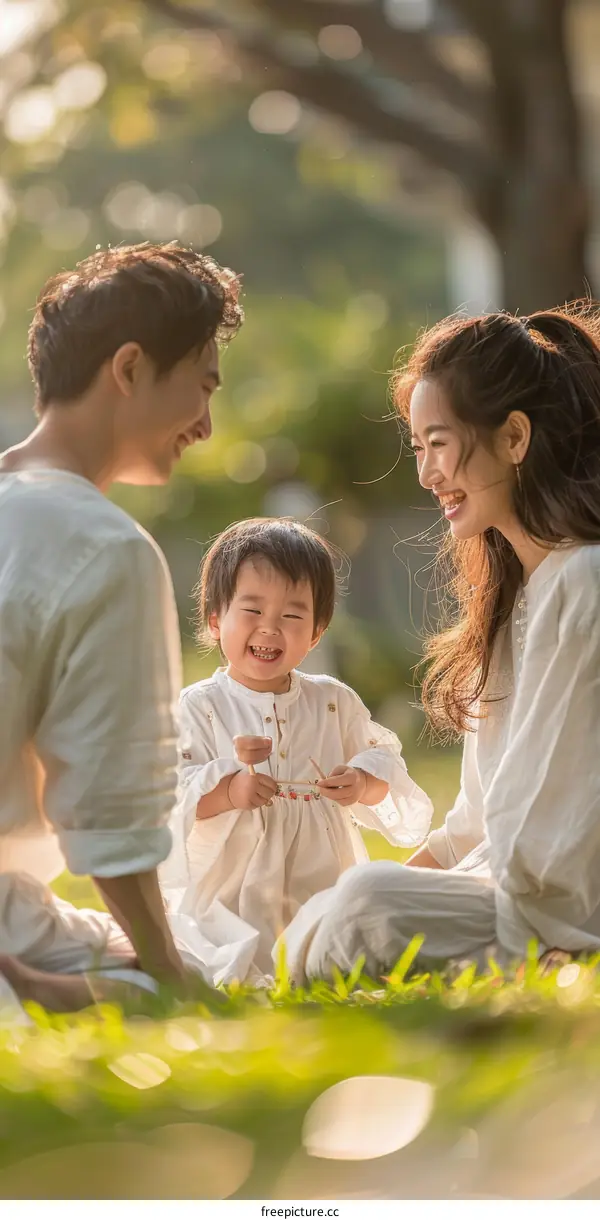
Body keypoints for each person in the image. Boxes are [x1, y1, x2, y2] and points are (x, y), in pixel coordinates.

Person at [280, 306, 600, 983]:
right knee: (342, 897)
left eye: (439, 442)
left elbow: (551, 842)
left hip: (562, 913)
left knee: (366, 906)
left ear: (514, 438)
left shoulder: (585, 580)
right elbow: (476, 824)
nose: (427, 474)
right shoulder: (515, 601)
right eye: (418, 448)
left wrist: (368, 899)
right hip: (509, 889)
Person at [0, 241, 243, 1012]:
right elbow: (110, 807)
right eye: (201, 388)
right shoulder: (104, 546)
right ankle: (39, 994)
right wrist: (168, 976)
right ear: (130, 368)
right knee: (185, 977)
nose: (204, 425)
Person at [159, 518, 432, 983]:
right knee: (231, 957)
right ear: (215, 618)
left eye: (291, 615)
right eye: (252, 610)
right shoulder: (202, 707)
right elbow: (174, 799)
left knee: (329, 952)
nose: (270, 629)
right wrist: (229, 793)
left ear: (317, 632)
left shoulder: (332, 701)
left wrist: (362, 782)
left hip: (318, 871)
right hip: (233, 881)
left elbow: (384, 761)